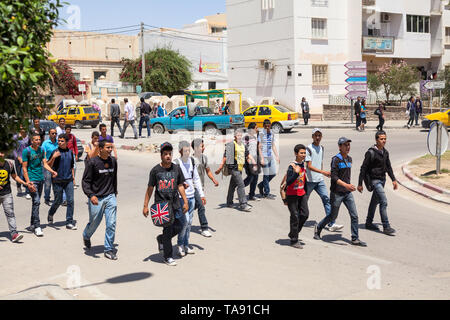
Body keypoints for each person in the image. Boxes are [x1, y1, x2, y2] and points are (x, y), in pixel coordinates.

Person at [313, 137, 367, 247]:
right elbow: (334, 177)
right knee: (332, 216)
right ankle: (318, 228)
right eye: (345, 145)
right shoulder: (336, 159)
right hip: (337, 193)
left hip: (347, 193)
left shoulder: (350, 159)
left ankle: (355, 238)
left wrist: (350, 186)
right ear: (340, 147)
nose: (348, 147)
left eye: (348, 145)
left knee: (354, 215)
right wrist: (346, 185)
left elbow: (346, 176)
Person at [143, 142, 189, 266]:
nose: (168, 156)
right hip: (162, 205)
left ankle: (162, 239)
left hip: (175, 203)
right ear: (161, 155)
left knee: (181, 224)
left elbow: (180, 185)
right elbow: (150, 188)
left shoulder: (176, 168)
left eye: (170, 154)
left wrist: (185, 201)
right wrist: (145, 205)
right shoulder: (155, 171)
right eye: (165, 154)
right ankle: (167, 256)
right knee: (168, 230)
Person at [82, 140, 119, 260]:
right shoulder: (93, 162)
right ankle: (86, 235)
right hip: (96, 198)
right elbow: (86, 181)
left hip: (110, 196)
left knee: (111, 223)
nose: (110, 150)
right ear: (101, 149)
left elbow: (114, 177)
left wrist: (114, 190)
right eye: (108, 148)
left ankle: (108, 249)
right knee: (94, 222)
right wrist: (91, 195)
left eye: (111, 148)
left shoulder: (113, 161)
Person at [357, 130, 397, 236]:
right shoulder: (370, 152)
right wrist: (360, 183)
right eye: (381, 139)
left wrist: (393, 179)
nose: (384, 141)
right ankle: (386, 226)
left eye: (385, 139)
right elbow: (363, 168)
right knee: (383, 201)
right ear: (376, 140)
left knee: (374, 202)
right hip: (374, 181)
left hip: (382, 179)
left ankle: (368, 222)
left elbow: (388, 167)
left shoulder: (385, 152)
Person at [305, 128, 343, 232]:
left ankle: (332, 223)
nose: (317, 137)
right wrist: (323, 172)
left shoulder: (322, 148)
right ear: (312, 136)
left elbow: (320, 162)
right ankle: (299, 218)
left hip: (319, 180)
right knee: (304, 201)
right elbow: (309, 166)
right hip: (310, 180)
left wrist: (322, 174)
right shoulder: (308, 149)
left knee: (326, 200)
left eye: (319, 135)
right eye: (315, 135)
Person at [174, 141, 206, 257]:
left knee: (190, 222)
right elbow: (174, 180)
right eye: (185, 151)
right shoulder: (176, 163)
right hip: (182, 197)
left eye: (188, 150)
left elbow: (196, 179)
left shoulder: (192, 161)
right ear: (180, 151)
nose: (187, 153)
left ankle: (186, 244)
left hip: (192, 196)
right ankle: (180, 244)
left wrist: (201, 195)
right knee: (185, 221)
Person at [215, 129, 253, 212]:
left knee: (232, 185)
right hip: (233, 168)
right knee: (241, 185)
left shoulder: (243, 145)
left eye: (240, 135)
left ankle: (229, 202)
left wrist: (253, 162)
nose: (239, 137)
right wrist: (220, 167)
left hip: (240, 168)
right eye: (238, 135)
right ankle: (243, 204)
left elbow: (247, 154)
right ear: (234, 136)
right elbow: (225, 157)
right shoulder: (231, 144)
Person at [46, 133, 76, 230]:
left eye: (62, 141)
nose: (59, 142)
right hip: (57, 181)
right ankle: (51, 213)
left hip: (68, 180)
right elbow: (48, 166)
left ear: (67, 142)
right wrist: (53, 157)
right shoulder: (55, 151)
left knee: (70, 201)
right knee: (58, 201)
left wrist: (73, 178)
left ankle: (69, 221)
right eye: (58, 140)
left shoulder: (70, 152)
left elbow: (72, 166)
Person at [191, 138, 219, 237]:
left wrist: (213, 179)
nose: (204, 148)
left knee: (193, 206)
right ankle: (204, 227)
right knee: (201, 207)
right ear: (195, 148)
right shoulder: (191, 160)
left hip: (200, 187)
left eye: (203, 146)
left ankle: (180, 219)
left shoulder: (204, 158)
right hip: (193, 188)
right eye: (201, 146)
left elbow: (208, 171)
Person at [284, 144, 309, 249]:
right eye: (301, 153)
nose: (303, 155)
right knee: (294, 216)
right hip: (292, 195)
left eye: (304, 153)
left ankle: (293, 232)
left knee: (305, 214)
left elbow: (304, 179)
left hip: (301, 194)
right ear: (296, 154)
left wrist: (306, 192)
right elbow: (288, 182)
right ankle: (294, 240)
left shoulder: (303, 164)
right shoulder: (292, 166)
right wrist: (295, 173)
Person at [0, 151, 28, 242]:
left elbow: (15, 176)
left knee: (10, 213)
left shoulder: (9, 164)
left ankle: (14, 234)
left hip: (6, 193)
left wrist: (25, 183)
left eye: (2, 152)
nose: (1, 154)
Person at [22, 133, 46, 237]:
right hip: (32, 180)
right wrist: (28, 182)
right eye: (36, 140)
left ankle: (32, 224)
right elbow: (24, 168)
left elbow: (45, 164)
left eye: (39, 139)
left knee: (35, 202)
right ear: (32, 141)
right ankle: (37, 226)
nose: (38, 141)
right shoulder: (26, 151)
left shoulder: (41, 150)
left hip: (41, 179)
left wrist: (52, 171)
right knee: (36, 202)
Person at [257, 119, 280, 199]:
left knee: (273, 173)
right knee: (266, 175)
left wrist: (277, 156)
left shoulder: (272, 133)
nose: (267, 127)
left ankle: (261, 185)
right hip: (264, 156)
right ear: (263, 126)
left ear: (270, 126)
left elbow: (273, 145)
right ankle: (267, 193)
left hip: (270, 156)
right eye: (266, 126)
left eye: (268, 126)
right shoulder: (261, 134)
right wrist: (262, 158)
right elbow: (259, 147)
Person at [243, 123, 261, 201]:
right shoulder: (246, 137)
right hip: (249, 160)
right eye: (256, 128)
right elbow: (244, 149)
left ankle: (251, 195)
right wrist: (247, 159)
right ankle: (240, 186)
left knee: (255, 177)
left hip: (255, 159)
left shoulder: (254, 136)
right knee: (251, 177)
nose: (258, 129)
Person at [42, 128, 58, 206]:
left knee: (56, 183)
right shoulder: (45, 143)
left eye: (55, 133)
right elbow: (43, 155)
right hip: (47, 165)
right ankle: (47, 198)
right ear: (49, 134)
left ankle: (57, 198)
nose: (54, 135)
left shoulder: (58, 142)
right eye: (52, 133)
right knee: (48, 183)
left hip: (56, 165)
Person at [13, 128, 30, 198]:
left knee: (25, 174)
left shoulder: (28, 137)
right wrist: (18, 157)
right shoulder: (15, 137)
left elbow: (30, 147)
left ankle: (27, 191)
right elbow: (13, 148)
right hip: (18, 158)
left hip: (26, 158)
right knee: (19, 174)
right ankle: (18, 186)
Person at [65, 125, 78, 190]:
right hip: (65, 153)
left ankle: (73, 179)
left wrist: (76, 155)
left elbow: (75, 146)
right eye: (67, 129)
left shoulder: (72, 137)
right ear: (65, 130)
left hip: (72, 153)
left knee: (74, 167)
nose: (68, 131)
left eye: (69, 129)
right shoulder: (63, 137)